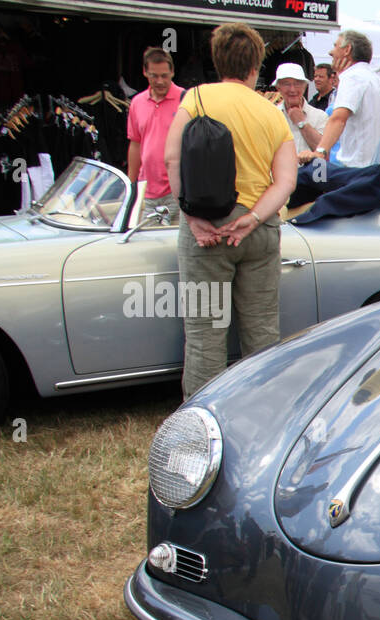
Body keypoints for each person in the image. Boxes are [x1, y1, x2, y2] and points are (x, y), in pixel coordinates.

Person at [163, 22, 296, 398]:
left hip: (207, 228)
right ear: (256, 66)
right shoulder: (272, 112)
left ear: (217, 60)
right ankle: (262, 415)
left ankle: (202, 425)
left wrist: (192, 218)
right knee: (262, 334)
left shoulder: (196, 99)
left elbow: (172, 158)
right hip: (258, 229)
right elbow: (285, 181)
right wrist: (252, 219)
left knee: (205, 335)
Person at [298, 30, 380, 168]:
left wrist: (320, 152)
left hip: (357, 170)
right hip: (373, 168)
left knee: (304, 180)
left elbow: (338, 118)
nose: (330, 52)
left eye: (335, 46)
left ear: (347, 50)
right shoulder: (374, 79)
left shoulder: (353, 77)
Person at [127, 46, 184, 220]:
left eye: (164, 76)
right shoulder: (137, 102)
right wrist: (131, 184)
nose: (159, 81)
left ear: (172, 72)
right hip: (147, 191)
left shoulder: (185, 100)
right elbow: (135, 143)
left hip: (177, 191)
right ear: (145, 72)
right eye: (154, 76)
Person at [274, 62, 328, 152]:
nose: (292, 89)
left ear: (304, 86)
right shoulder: (272, 115)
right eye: (286, 84)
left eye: (297, 84)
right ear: (278, 87)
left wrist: (301, 123)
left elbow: (323, 150)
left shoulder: (320, 116)